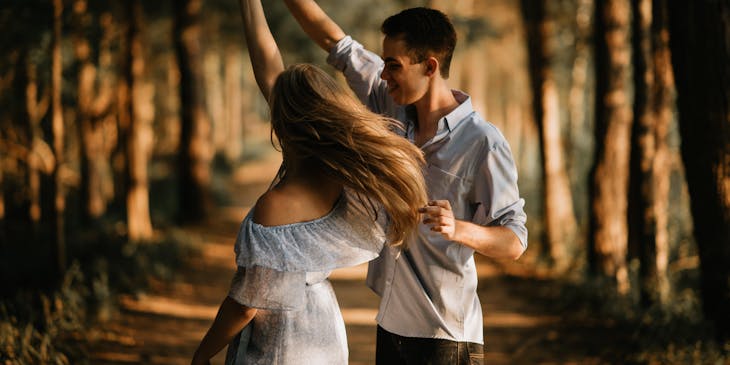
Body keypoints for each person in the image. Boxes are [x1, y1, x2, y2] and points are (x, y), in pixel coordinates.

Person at [283, 2, 529, 364]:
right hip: (392, 324)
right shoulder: (392, 106)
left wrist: (458, 228)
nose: (384, 75)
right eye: (384, 64)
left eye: (393, 65)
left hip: (445, 337)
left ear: (430, 66)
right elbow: (335, 41)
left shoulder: (482, 142)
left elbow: (515, 242)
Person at [190, 0, 428, 364]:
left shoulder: (277, 204)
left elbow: (246, 305)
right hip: (325, 330)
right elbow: (268, 67)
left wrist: (202, 354)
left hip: (281, 342)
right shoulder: (350, 182)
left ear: (286, 123)